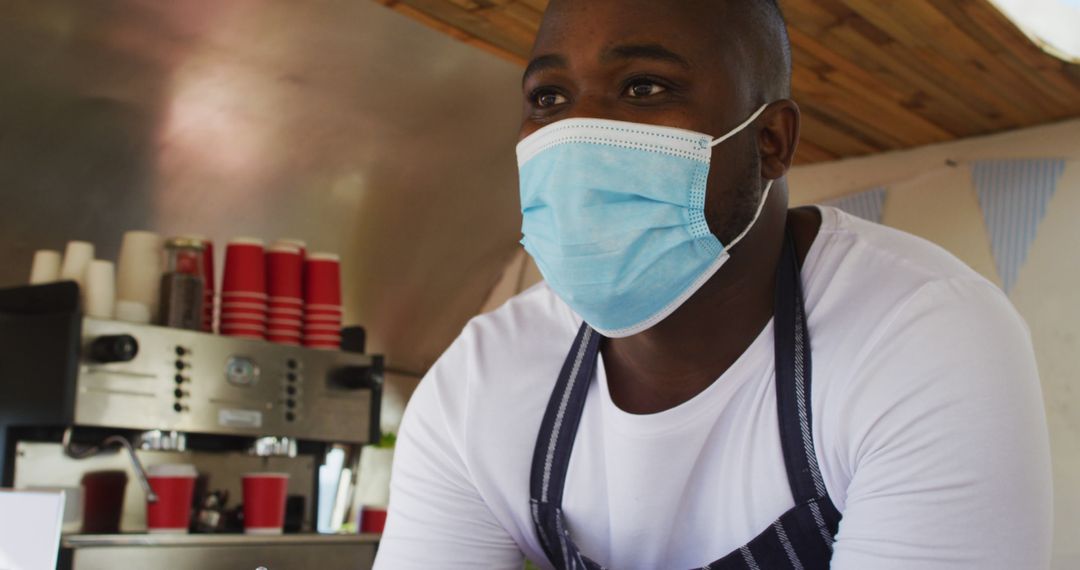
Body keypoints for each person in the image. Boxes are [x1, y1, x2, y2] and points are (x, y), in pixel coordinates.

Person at [373, 0, 1052, 568]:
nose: (579, 134)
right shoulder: (479, 384)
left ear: (771, 142)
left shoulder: (921, 336)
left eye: (645, 87)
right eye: (549, 98)